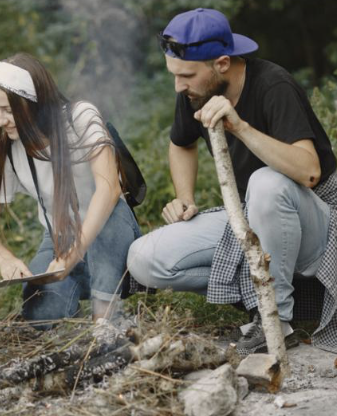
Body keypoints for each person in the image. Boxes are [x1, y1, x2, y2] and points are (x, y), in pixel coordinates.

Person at [127, 8, 337, 353]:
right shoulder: (195, 90)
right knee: (144, 259)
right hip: (250, 217)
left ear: (222, 63)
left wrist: (240, 127)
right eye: (174, 75)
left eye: (186, 75)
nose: (178, 86)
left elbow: (309, 171)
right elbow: (181, 144)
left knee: (267, 183)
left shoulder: (274, 85)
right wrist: (184, 196)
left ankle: (275, 321)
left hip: (319, 225)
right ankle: (262, 293)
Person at [0, 53, 141, 327]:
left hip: (109, 227)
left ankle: (104, 321)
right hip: (59, 237)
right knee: (40, 314)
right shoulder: (7, 150)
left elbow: (109, 190)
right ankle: (79, 298)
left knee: (108, 224)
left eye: (8, 110)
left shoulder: (80, 118)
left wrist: (73, 255)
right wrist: (4, 258)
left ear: (34, 102)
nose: (0, 121)